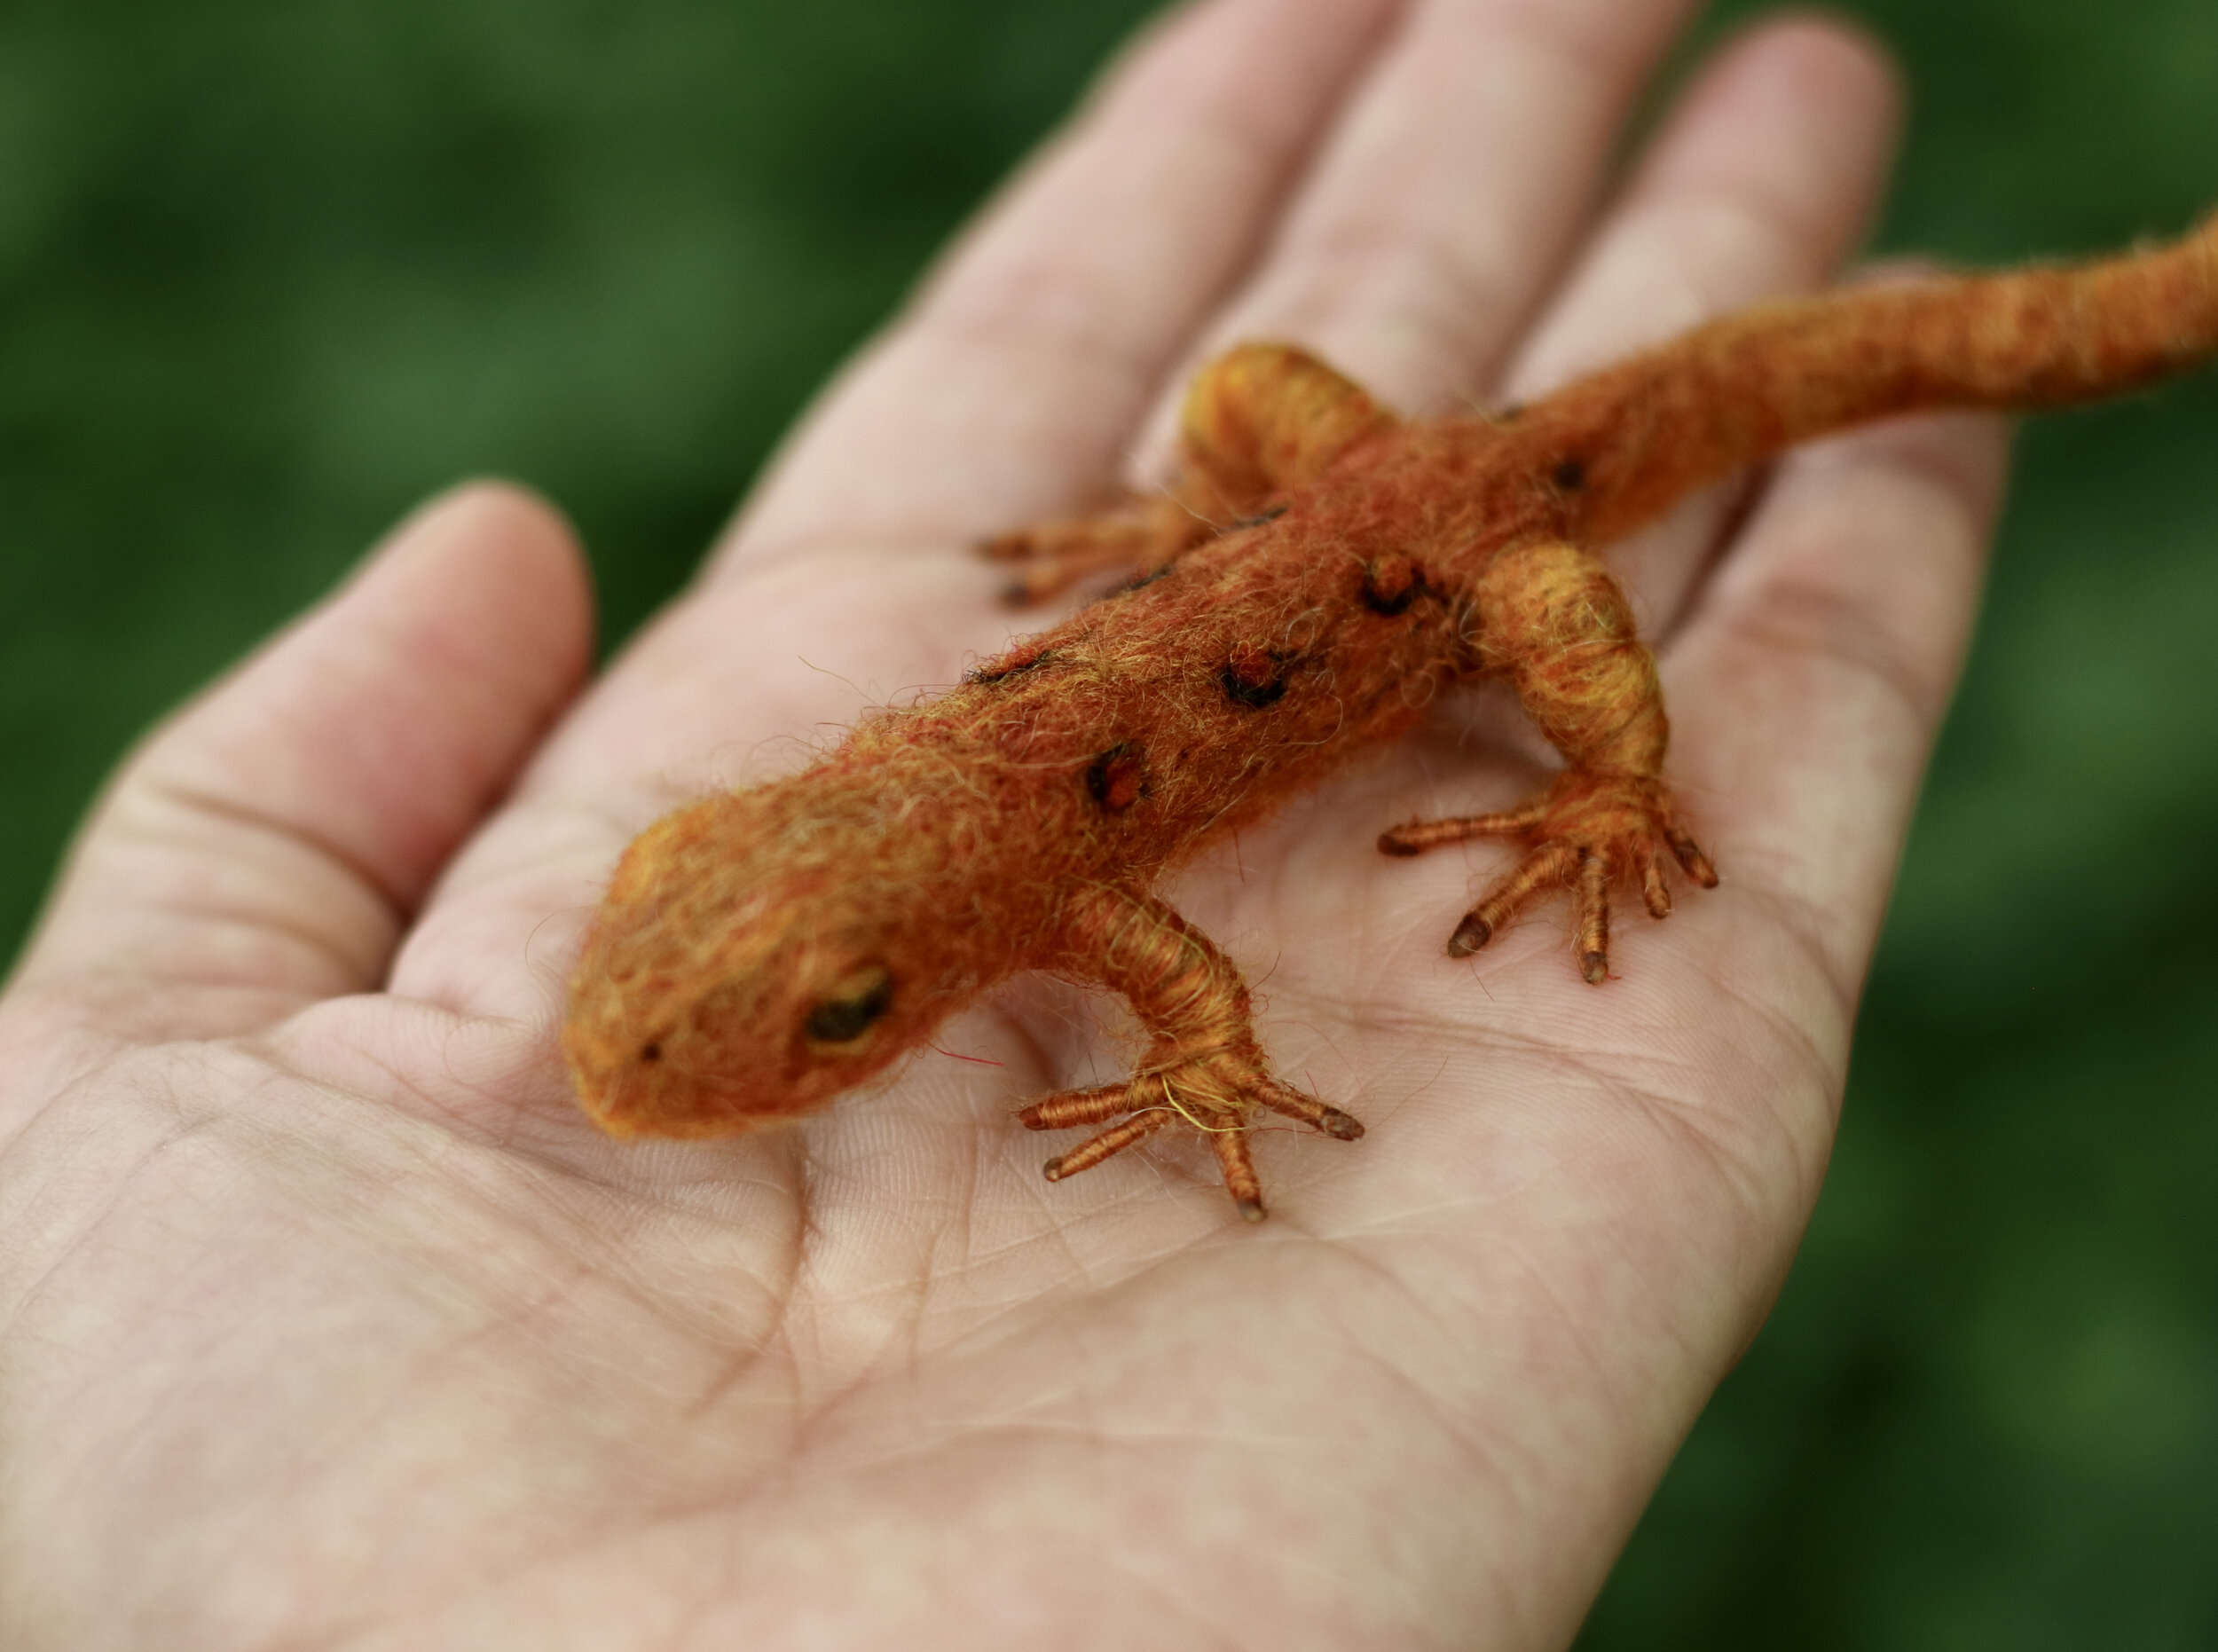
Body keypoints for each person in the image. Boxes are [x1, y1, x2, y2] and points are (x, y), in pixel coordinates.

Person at [0, 0, 2006, 1643]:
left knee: (1537, 592)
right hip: (1330, 512)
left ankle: (1613, 777)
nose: (628, 1038)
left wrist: (1594, 787)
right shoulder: (910, 836)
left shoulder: (1043, 886)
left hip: (1461, 528)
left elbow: (1195, 987)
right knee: (1255, 399)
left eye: (843, 1017)